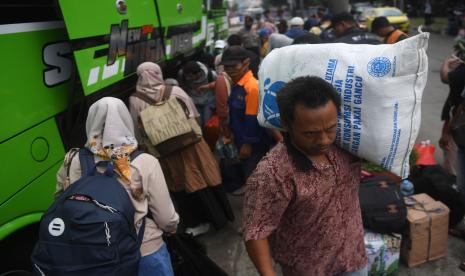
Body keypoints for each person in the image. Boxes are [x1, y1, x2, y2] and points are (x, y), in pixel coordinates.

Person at [242, 76, 367, 276]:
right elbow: (256, 231)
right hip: (307, 270)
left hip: (354, 259)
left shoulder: (347, 146)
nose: (324, 140)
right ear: (286, 124)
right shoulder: (272, 173)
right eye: (311, 133)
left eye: (330, 128)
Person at [56, 97, 179, 275]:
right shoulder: (145, 162)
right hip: (145, 250)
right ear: (125, 120)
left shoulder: (71, 161)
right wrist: (172, 227)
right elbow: (166, 219)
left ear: (91, 122)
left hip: (94, 257)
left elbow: (60, 201)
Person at [130, 62, 234, 236]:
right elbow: (194, 115)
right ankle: (221, 217)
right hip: (192, 146)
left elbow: (137, 130)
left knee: (181, 185)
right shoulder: (175, 91)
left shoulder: (135, 100)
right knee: (203, 176)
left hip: (165, 152)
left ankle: (196, 222)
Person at [220, 46, 277, 194]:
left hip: (254, 144)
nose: (230, 70)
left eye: (234, 66)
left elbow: (252, 119)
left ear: (246, 63)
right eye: (227, 67)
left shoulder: (251, 87)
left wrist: (247, 144)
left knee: (253, 174)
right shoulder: (238, 85)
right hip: (240, 138)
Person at [177, 61, 217, 126]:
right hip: (194, 102)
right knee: (198, 123)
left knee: (207, 121)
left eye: (190, 76)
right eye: (187, 76)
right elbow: (182, 87)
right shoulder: (182, 74)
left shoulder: (211, 75)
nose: (188, 78)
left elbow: (217, 86)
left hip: (208, 101)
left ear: (198, 73)